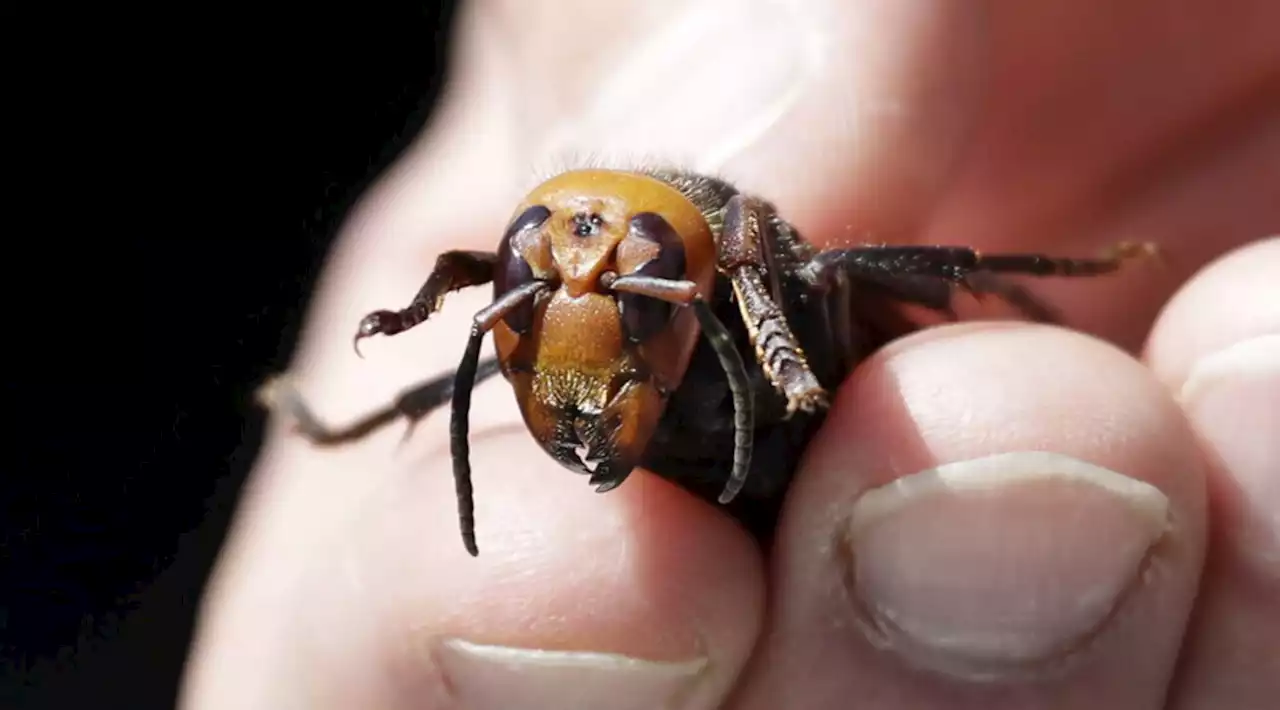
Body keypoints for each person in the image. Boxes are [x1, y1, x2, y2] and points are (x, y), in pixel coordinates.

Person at [181, 1, 1279, 707]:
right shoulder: (556, 275)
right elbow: (480, 273)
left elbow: (845, 258)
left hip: (798, 465)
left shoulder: (757, 261)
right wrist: (408, 330)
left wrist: (1070, 278)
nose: (574, 281)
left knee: (872, 304)